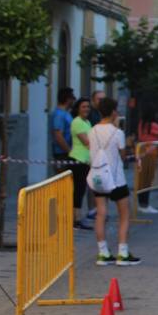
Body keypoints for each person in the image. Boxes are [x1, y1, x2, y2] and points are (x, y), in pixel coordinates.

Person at [87, 97, 140, 266]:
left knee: (101, 214)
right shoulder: (117, 133)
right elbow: (123, 156)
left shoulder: (92, 130)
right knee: (124, 214)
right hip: (116, 179)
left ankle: (103, 252)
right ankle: (122, 253)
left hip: (98, 178)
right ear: (113, 112)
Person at [137, 104, 158, 215]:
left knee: (142, 179)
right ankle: (144, 204)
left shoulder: (142, 124)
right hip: (151, 154)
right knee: (148, 179)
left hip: (142, 152)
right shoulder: (153, 125)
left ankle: (141, 203)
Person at [69, 98, 94, 231]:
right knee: (78, 190)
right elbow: (86, 142)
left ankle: (77, 218)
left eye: (88, 107)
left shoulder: (87, 122)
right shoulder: (77, 122)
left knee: (81, 190)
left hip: (85, 160)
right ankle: (75, 219)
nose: (86, 109)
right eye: (83, 107)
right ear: (78, 108)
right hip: (78, 159)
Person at [51, 87, 75, 176]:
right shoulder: (59, 115)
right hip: (61, 154)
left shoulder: (66, 113)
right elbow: (58, 135)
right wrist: (69, 151)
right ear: (68, 99)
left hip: (66, 153)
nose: (73, 101)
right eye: (72, 98)